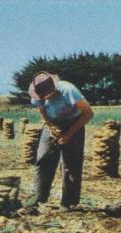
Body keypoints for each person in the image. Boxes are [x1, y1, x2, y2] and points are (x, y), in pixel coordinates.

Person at [26, 71, 94, 210]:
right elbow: (42, 111)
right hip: (52, 122)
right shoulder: (37, 92)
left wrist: (69, 134)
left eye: (47, 95)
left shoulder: (68, 90)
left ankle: (69, 203)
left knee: (71, 163)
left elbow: (88, 113)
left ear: (54, 88)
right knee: (43, 158)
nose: (45, 98)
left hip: (74, 122)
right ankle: (38, 197)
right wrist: (51, 126)